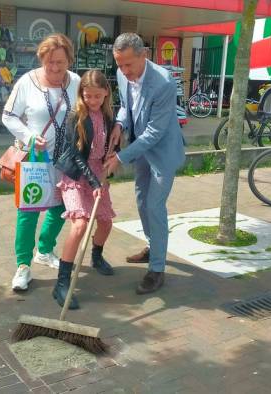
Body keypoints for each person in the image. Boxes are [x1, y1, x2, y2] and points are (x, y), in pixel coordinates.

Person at [104, 33, 185, 295]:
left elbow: (154, 133)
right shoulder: (121, 74)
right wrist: (119, 124)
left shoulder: (164, 83)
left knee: (154, 205)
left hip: (162, 152)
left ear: (144, 55)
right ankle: (153, 247)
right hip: (141, 152)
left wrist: (119, 157)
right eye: (119, 64)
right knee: (141, 200)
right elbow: (126, 107)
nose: (124, 70)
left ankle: (157, 270)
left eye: (129, 64)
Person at [2, 33, 81, 291]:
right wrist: (29, 135)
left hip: (65, 159)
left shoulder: (76, 82)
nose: (55, 68)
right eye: (49, 63)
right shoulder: (27, 81)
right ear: (42, 60)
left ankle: (45, 250)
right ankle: (23, 266)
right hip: (36, 159)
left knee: (60, 208)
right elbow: (8, 116)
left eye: (60, 62)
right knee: (28, 212)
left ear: (69, 59)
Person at [53, 70, 117, 309]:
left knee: (106, 222)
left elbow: (110, 144)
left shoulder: (108, 117)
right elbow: (75, 155)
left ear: (106, 94)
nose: (92, 101)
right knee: (79, 224)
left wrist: (113, 156)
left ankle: (96, 256)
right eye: (88, 96)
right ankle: (61, 283)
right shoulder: (75, 117)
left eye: (98, 97)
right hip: (77, 175)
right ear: (82, 94)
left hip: (99, 174)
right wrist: (93, 182)